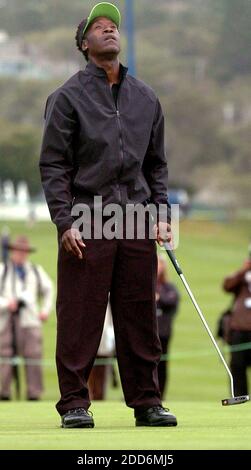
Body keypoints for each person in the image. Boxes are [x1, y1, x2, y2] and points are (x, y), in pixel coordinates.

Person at [39, 2, 177, 428]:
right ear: (85, 44)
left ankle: (147, 402)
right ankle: (75, 404)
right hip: (86, 220)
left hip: (136, 220)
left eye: (113, 26)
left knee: (139, 315)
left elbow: (156, 165)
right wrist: (65, 222)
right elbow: (54, 165)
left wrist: (161, 213)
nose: (109, 31)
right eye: (99, 27)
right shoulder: (66, 98)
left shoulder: (146, 99)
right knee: (80, 315)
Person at [0, 236, 53, 400]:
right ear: (12, 251)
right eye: (18, 250)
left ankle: (34, 393)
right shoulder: (3, 270)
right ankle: (4, 392)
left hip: (30, 320)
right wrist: (6, 304)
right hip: (6, 320)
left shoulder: (35, 270)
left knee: (33, 356)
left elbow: (49, 290)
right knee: (4, 356)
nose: (21, 254)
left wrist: (45, 310)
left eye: (24, 251)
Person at [223, 256, 251, 397]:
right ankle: (239, 398)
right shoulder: (242, 277)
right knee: (237, 368)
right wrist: (244, 270)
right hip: (239, 331)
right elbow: (227, 285)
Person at [156, 255, 179, 400]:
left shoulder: (169, 287)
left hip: (163, 333)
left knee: (161, 365)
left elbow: (171, 302)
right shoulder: (143, 284)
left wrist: (158, 296)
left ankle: (160, 396)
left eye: (159, 264)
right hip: (143, 333)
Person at [88, 301, 115, 400]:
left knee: (102, 370)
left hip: (105, 339)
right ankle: (90, 395)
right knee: (90, 369)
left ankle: (99, 396)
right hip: (89, 339)